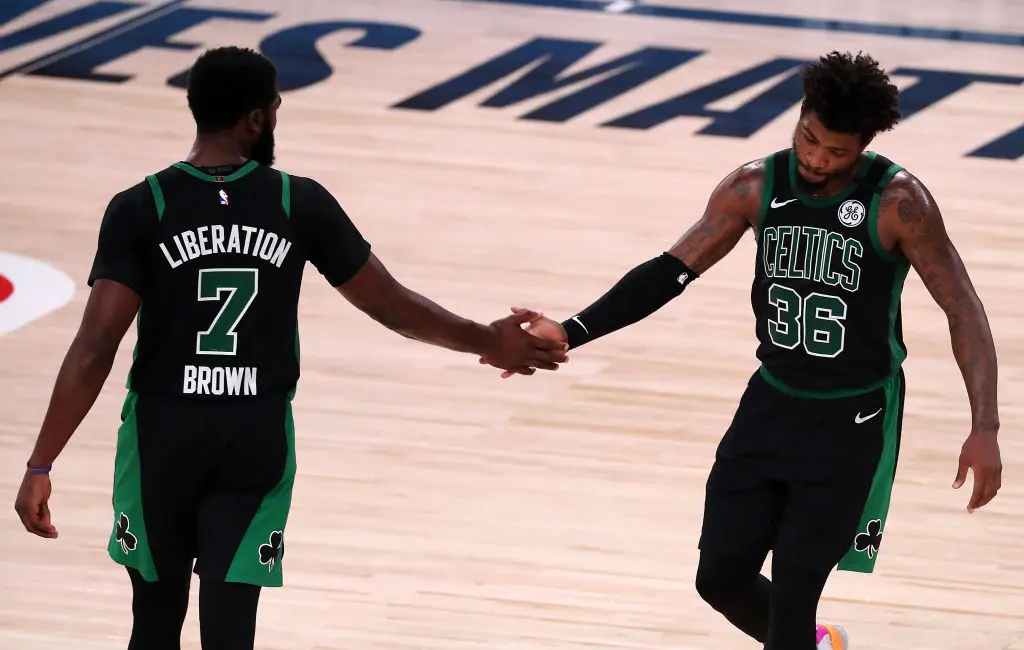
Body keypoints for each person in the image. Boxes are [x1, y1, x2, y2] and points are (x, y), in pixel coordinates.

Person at [13, 46, 568, 650]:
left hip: (161, 436)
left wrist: (41, 464)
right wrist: (489, 341)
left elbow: (97, 344)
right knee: (230, 631)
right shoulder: (295, 203)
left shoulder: (142, 206)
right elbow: (390, 304)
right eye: (274, 109)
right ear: (257, 118)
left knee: (154, 622)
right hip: (255, 435)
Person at [483, 51, 1002, 650]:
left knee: (796, 588)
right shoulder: (755, 185)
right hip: (771, 404)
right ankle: (818, 644)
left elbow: (963, 309)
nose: (815, 159)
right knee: (720, 576)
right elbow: (670, 270)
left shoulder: (898, 203)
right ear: (800, 116)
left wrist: (983, 426)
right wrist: (573, 329)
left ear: (864, 145)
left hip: (852, 418)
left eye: (836, 152)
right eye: (808, 139)